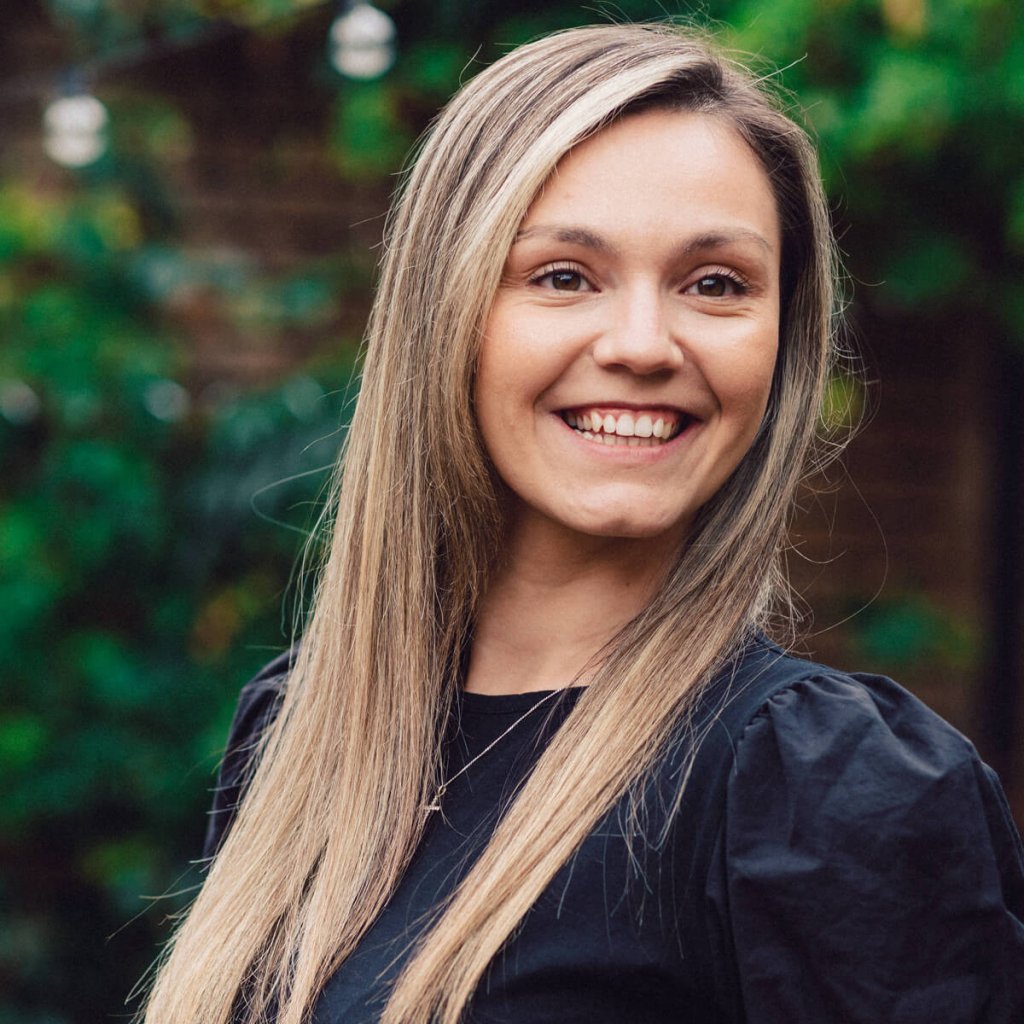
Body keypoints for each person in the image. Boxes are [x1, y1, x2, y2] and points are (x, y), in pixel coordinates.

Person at [140, 22, 1024, 1024]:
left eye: (715, 284)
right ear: (446, 314)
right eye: (563, 275)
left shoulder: (825, 791)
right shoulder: (302, 732)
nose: (644, 344)